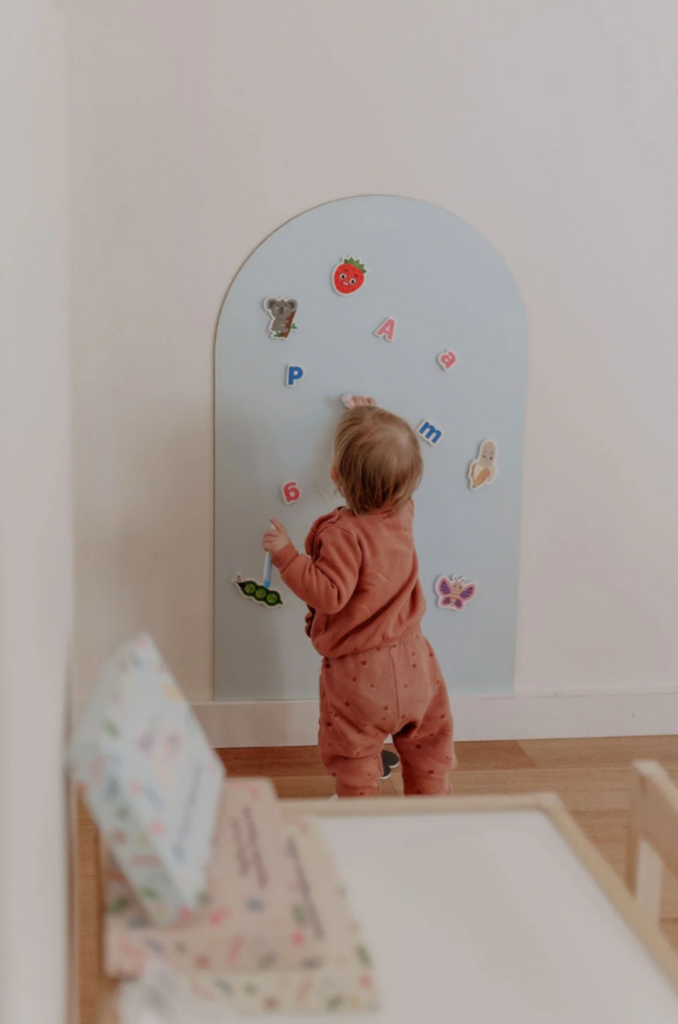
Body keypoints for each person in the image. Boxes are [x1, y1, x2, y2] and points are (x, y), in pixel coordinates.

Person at [262, 397, 455, 797]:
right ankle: (433, 808)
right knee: (428, 744)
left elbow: (329, 594)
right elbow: (390, 469)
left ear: (335, 474)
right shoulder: (405, 513)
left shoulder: (343, 534)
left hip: (360, 675)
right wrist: (368, 421)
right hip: (416, 663)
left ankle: (360, 816)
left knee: (355, 755)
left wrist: (286, 555)